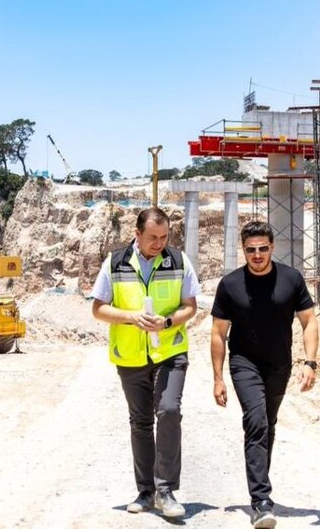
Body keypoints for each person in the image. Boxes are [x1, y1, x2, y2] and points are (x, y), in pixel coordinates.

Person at [91, 207, 200, 519]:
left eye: (164, 237)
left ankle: (166, 490)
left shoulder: (179, 261)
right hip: (131, 355)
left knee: (169, 410)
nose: (159, 243)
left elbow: (190, 306)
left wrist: (167, 322)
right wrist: (131, 318)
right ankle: (145, 491)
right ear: (136, 234)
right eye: (152, 237)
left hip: (170, 352)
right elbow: (98, 309)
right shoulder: (115, 262)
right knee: (140, 422)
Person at [210, 221, 319, 529]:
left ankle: (260, 482)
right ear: (243, 250)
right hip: (244, 363)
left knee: (267, 425)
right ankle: (261, 501)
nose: (256, 255)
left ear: (272, 247)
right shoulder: (230, 284)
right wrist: (218, 378)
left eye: (262, 249)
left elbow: (309, 321)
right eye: (250, 250)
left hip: (279, 364)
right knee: (256, 421)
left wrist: (310, 363)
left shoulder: (291, 279)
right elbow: (218, 333)